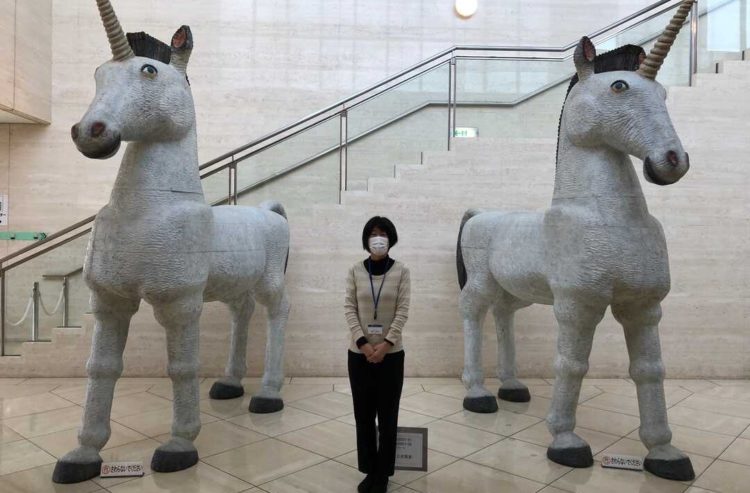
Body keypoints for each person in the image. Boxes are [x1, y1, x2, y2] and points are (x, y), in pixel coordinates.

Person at [345, 216, 410, 493]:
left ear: (391, 237)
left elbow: (402, 311)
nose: (378, 238)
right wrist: (363, 343)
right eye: (373, 233)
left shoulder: (402, 271)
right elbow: (349, 308)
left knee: (387, 416)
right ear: (366, 239)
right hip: (359, 355)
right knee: (363, 416)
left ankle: (383, 474)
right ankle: (369, 469)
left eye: (383, 233)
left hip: (391, 355)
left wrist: (385, 345)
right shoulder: (354, 270)